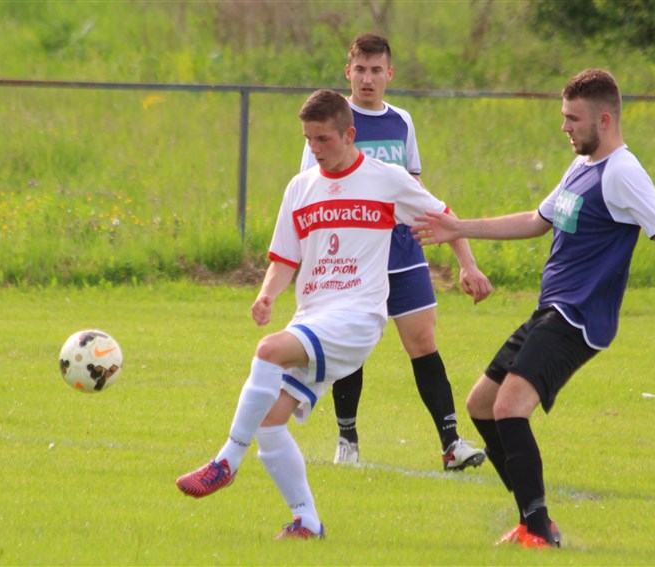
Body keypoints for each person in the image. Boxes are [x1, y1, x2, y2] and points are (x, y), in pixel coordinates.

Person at [412, 68, 655, 549]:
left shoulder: (623, 173)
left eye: (573, 118)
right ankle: (534, 521)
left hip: (580, 317)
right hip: (552, 310)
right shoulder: (581, 166)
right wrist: (460, 227)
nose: (564, 127)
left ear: (604, 119)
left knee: (509, 407)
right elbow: (536, 220)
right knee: (481, 405)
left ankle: (537, 530)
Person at [176, 89, 464, 539]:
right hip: (312, 316)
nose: (315, 148)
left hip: (359, 317)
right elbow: (284, 258)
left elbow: (445, 217)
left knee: (268, 350)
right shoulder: (300, 187)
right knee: (269, 424)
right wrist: (267, 295)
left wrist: (469, 265)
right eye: (309, 139)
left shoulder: (386, 180)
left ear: (349, 135)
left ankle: (226, 461)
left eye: (323, 139)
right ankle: (307, 521)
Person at [300, 32, 493, 469]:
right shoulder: (331, 119)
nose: (367, 79)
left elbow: (416, 190)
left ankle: (451, 444)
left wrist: (466, 262)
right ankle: (347, 440)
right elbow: (312, 192)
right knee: (351, 346)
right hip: (351, 259)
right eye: (360, 70)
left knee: (423, 342)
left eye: (376, 70)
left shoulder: (402, 121)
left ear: (390, 73)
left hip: (403, 252)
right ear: (348, 72)